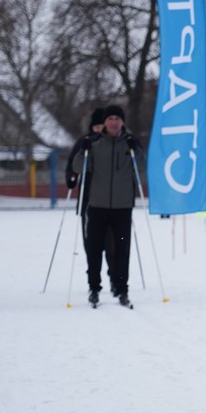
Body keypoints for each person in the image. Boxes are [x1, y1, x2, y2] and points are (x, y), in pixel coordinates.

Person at [72, 104, 141, 308]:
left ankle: (122, 289)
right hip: (98, 205)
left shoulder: (128, 144)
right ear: (105, 122)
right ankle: (94, 288)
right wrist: (82, 150)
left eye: (117, 119)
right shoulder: (95, 144)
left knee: (122, 249)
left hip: (122, 207)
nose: (114, 122)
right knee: (94, 249)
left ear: (122, 122)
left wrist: (136, 147)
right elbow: (78, 166)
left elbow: (142, 167)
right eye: (110, 119)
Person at [66, 107, 116, 292]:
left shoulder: (113, 143)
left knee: (112, 242)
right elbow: (73, 164)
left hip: (111, 201)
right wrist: (71, 178)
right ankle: (93, 277)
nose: (99, 130)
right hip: (88, 200)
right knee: (91, 243)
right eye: (96, 127)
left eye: (102, 126)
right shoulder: (84, 142)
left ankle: (114, 275)